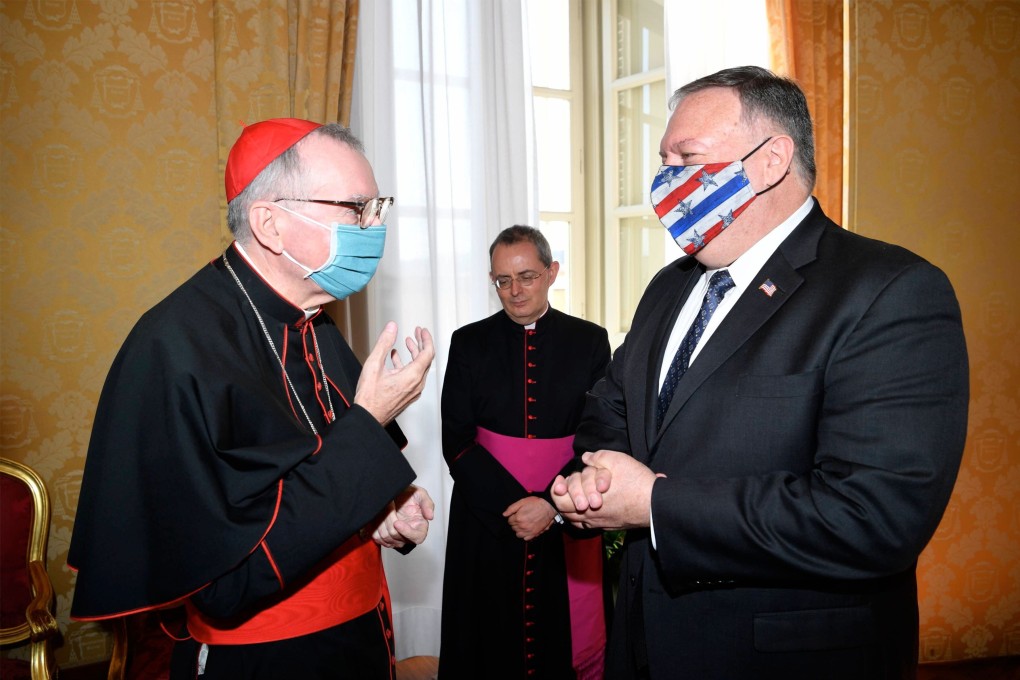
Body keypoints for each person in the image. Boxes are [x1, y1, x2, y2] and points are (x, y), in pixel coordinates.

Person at [551, 66, 968, 680]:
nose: (666, 180)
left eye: (688, 158)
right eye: (664, 160)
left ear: (771, 160)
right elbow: (608, 413)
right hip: (643, 644)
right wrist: (591, 484)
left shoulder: (890, 291)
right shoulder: (668, 287)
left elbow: (872, 517)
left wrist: (658, 504)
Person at [68, 119, 437, 679]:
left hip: (361, 631)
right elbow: (227, 581)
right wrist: (369, 421)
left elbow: (322, 480)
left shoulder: (311, 317)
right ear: (270, 224)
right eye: (356, 209)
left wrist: (383, 512)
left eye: (377, 208)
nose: (375, 227)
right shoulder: (174, 346)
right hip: (269, 657)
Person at [439, 226, 611, 679]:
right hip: (488, 516)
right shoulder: (468, 342)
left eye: (527, 276)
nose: (514, 291)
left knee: (563, 640)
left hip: (567, 507)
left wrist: (550, 505)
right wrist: (514, 508)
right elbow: (456, 440)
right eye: (503, 280)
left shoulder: (590, 341)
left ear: (552, 272)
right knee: (487, 639)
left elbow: (600, 435)